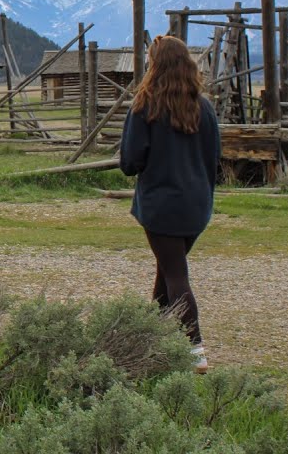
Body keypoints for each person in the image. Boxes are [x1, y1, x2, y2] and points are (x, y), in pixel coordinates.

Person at [119, 35, 221, 373]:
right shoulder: (203, 107)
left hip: (161, 205)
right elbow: (213, 159)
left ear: (156, 64)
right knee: (166, 271)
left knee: (176, 276)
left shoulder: (146, 105)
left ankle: (194, 350)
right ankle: (148, 338)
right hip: (197, 205)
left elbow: (130, 161)